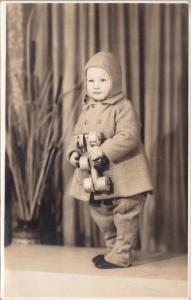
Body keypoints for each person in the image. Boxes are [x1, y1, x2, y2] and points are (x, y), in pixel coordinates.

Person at [67, 51, 153, 269]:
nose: (96, 86)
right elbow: (76, 135)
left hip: (125, 177)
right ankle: (113, 250)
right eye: (91, 80)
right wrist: (74, 153)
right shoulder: (87, 108)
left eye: (103, 80)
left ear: (115, 80)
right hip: (99, 177)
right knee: (100, 212)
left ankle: (122, 254)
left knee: (125, 213)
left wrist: (104, 150)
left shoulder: (123, 107)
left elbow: (129, 136)